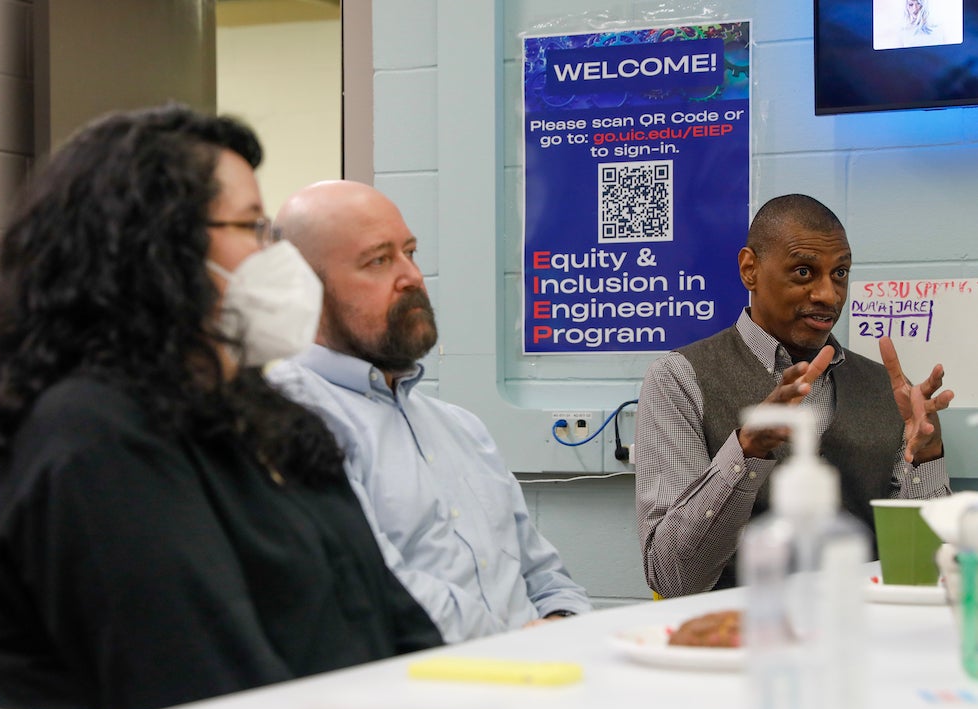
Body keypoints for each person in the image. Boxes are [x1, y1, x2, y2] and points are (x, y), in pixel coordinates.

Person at [0, 106, 442, 709]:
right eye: (251, 226)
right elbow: (210, 693)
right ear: (155, 247)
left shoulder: (269, 419)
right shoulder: (94, 441)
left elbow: (399, 629)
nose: (277, 258)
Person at [266, 180, 592, 643]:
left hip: (531, 681)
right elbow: (378, 593)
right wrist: (522, 644)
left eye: (410, 253)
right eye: (378, 260)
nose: (412, 277)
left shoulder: (461, 428)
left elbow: (546, 576)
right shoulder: (284, 420)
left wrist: (564, 624)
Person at [635, 193, 953, 598]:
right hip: (739, 636)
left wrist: (926, 454)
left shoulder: (885, 389)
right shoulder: (680, 378)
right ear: (750, 269)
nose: (829, 295)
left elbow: (924, 567)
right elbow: (673, 578)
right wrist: (747, 451)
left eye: (840, 273)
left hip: (858, 628)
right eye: (804, 272)